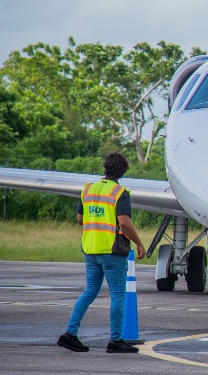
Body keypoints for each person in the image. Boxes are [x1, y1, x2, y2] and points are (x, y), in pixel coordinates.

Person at [58, 151, 146, 354]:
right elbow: (124, 221)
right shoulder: (120, 192)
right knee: (118, 295)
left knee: (89, 292)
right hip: (112, 250)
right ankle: (116, 340)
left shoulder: (88, 189)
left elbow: (80, 219)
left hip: (90, 249)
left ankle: (70, 333)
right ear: (122, 172)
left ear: (105, 168)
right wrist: (139, 243)